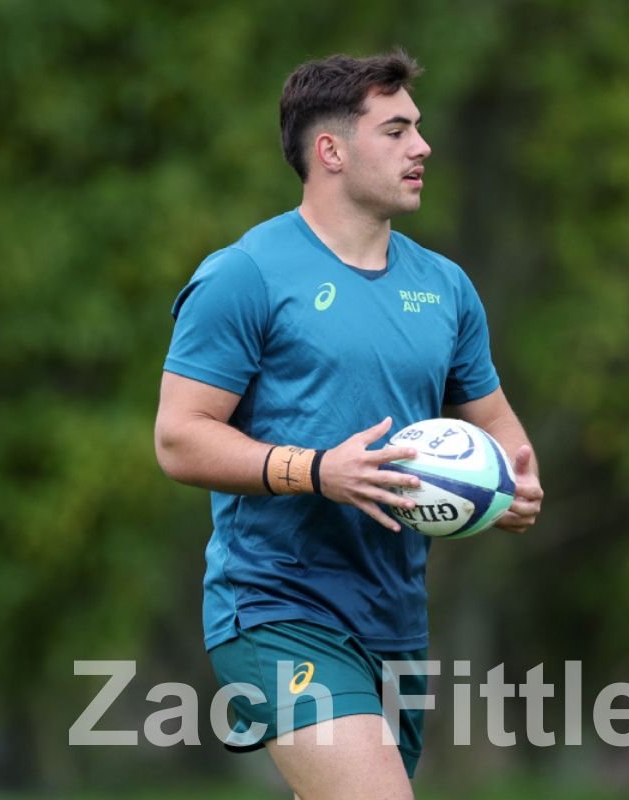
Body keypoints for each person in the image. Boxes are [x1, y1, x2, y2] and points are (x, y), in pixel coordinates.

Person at [154, 50, 543, 799]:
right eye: (396, 131)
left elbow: (503, 434)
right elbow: (179, 437)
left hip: (395, 619)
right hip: (275, 605)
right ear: (330, 151)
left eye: (417, 128)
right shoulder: (246, 275)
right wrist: (317, 471)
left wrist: (512, 487)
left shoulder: (445, 288)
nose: (422, 147)